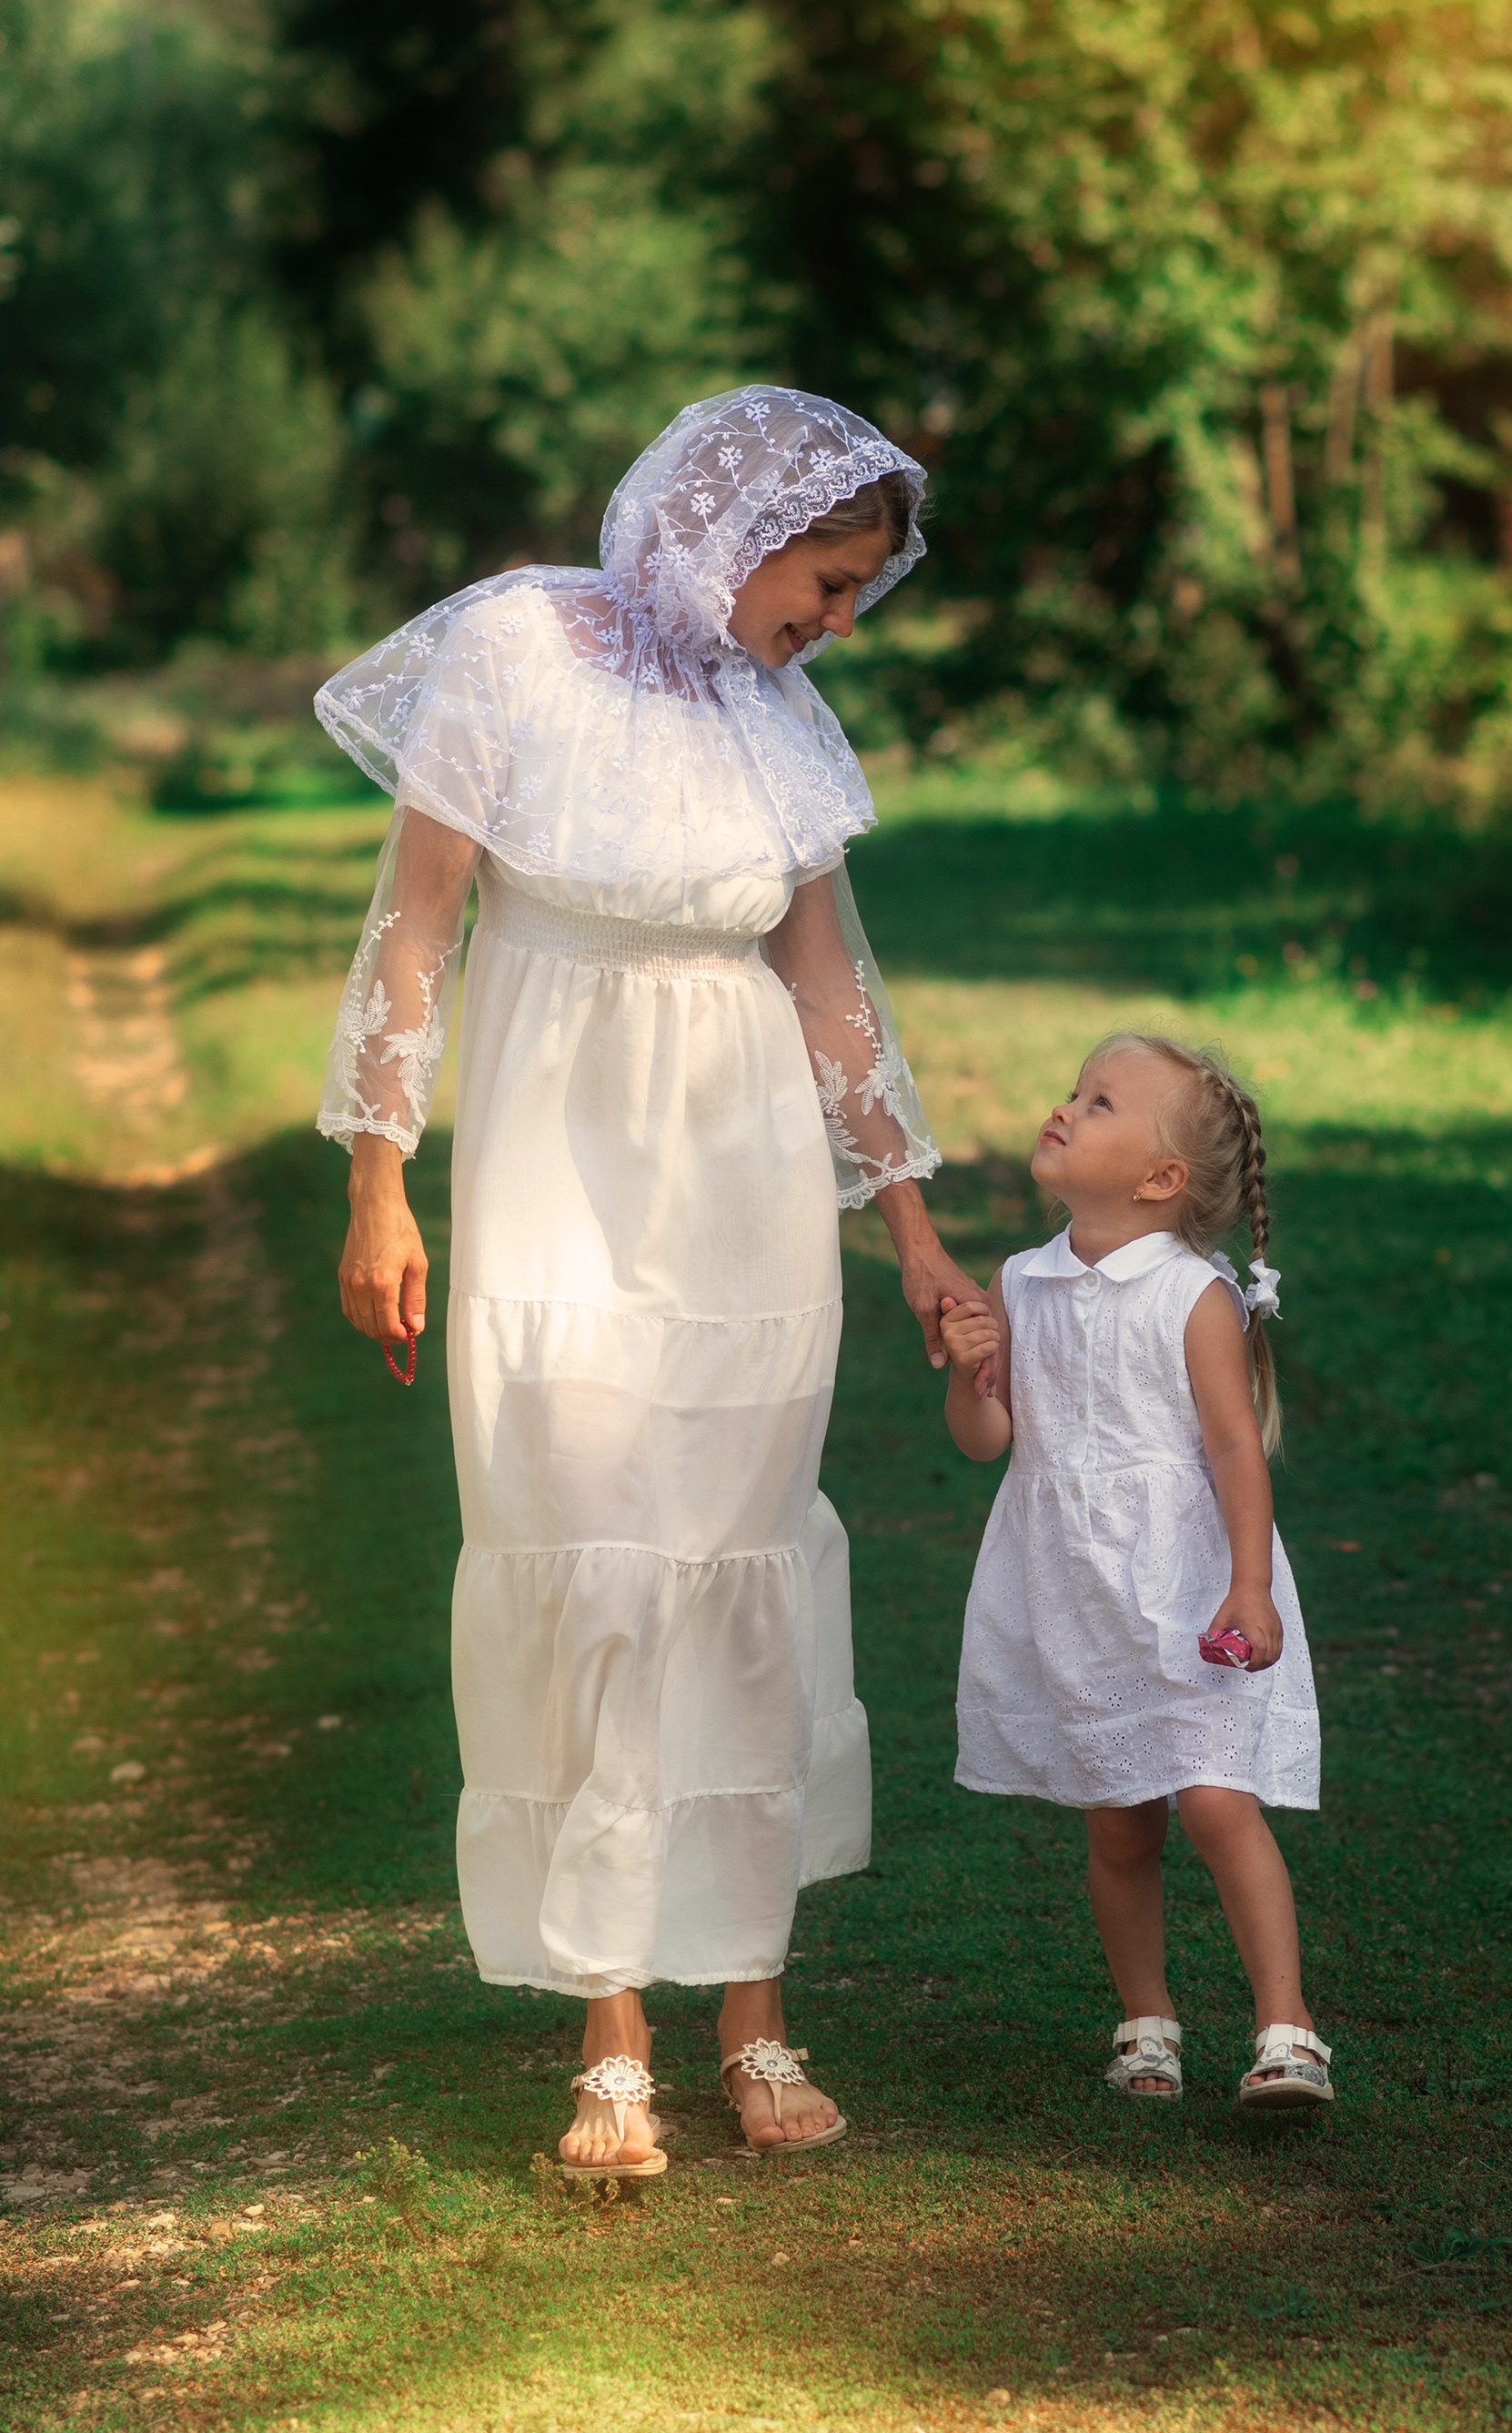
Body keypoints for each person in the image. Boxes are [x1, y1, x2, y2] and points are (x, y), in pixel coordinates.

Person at [318, 388, 984, 2174]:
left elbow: (833, 988)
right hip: (557, 1159)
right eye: (827, 579)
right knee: (591, 1546)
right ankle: (612, 2028)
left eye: (858, 590)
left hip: (745, 1176)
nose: (838, 618)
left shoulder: (782, 716)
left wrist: (908, 1224)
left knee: (735, 1559)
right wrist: (379, 1179)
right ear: (727, 522)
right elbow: (415, 922)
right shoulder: (518, 650)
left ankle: (754, 2012)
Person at [938, 1035, 1330, 2108]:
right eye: (1073, 1090)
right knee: (1118, 1814)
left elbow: (1235, 1450)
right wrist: (977, 1370)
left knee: (1213, 1798)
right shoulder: (1021, 1280)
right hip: (1078, 1590)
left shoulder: (1193, 1298)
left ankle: (1286, 2026)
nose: (1065, 1108)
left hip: (1189, 1583)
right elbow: (987, 1439)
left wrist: (1248, 1584)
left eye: (1099, 1102)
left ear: (1161, 1180)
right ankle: (1146, 2021)